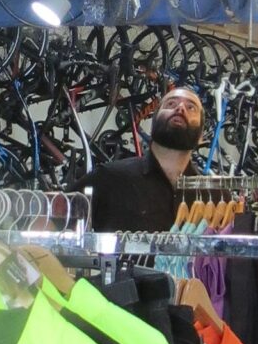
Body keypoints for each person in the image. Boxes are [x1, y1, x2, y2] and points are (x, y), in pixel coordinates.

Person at [88, 84, 206, 233]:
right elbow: (53, 222)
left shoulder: (214, 195)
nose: (180, 108)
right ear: (153, 123)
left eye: (191, 108)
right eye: (171, 104)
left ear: (201, 135)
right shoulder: (109, 178)